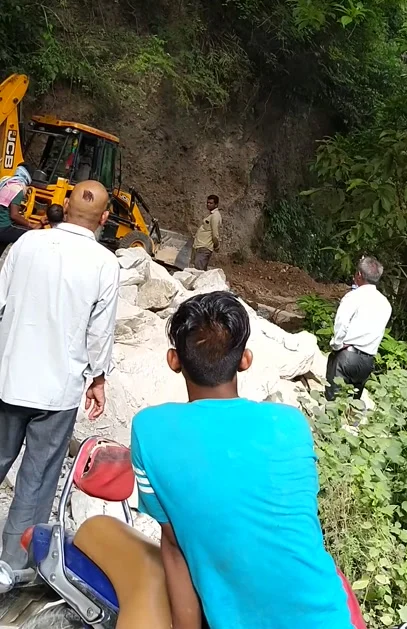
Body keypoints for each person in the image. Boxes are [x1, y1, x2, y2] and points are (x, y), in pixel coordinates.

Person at [131, 291, 353, 629]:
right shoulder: (290, 424)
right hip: (330, 616)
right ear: (245, 360)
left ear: (173, 360)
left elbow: (175, 546)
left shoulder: (149, 430)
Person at [0, 180, 120, 570]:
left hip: (8, 378)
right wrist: (98, 379)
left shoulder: (26, 244)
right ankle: (12, 568)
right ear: (104, 218)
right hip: (58, 391)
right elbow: (99, 332)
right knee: (35, 482)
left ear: (65, 206)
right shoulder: (105, 264)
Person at [326, 256, 392, 401]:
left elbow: (341, 324)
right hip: (367, 362)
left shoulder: (353, 297)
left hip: (347, 356)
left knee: (333, 403)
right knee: (353, 405)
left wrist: (337, 346)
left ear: (359, 275)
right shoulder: (385, 303)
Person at [0, 163, 37, 247]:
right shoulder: (17, 188)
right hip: (3, 228)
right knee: (31, 235)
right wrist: (30, 225)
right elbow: (14, 215)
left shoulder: (6, 183)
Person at [192, 195, 221, 271]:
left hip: (205, 247)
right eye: (207, 202)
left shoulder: (215, 216)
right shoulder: (211, 215)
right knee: (199, 270)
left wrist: (216, 246)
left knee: (198, 271)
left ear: (216, 205)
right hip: (200, 246)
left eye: (211, 203)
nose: (208, 204)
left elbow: (215, 234)